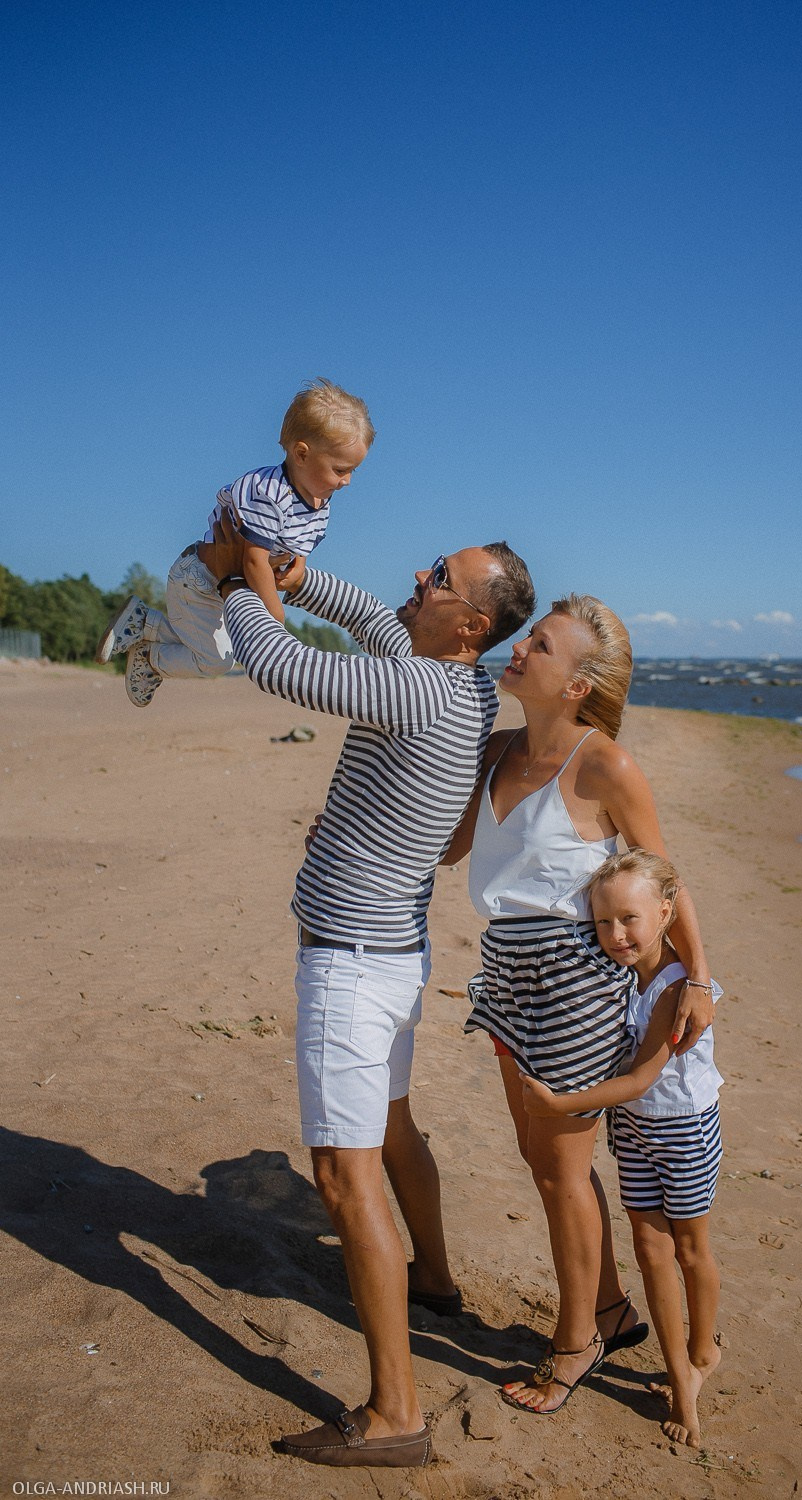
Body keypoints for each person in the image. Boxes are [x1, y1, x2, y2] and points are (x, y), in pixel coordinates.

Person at [205, 517, 535, 1468]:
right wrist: (297, 574)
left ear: (470, 625)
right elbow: (366, 616)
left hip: (351, 965)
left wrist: (237, 578)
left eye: (442, 577)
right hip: (392, 953)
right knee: (392, 1128)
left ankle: (396, 1415)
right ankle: (434, 1279)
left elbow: (283, 667)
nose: (422, 576)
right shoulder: (460, 682)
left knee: (344, 1178)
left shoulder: (419, 689)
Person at [441, 595, 715, 1414]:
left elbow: (665, 879)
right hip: (504, 975)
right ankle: (611, 1309)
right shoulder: (495, 750)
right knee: (541, 1162)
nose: (521, 647)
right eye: (529, 636)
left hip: (574, 984)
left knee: (563, 1175)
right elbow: (449, 846)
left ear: (576, 685)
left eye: (541, 644)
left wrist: (698, 978)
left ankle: (575, 1343)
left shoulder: (605, 767)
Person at [520, 849, 723, 1447]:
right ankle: (680, 1374)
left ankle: (702, 1355)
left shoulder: (677, 986)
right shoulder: (616, 975)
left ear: (666, 913)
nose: (615, 935)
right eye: (603, 921)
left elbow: (640, 1078)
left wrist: (560, 1104)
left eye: (630, 919)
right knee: (650, 1250)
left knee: (690, 1250)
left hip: (684, 1130)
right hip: (633, 1131)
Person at [96, 379, 373, 707]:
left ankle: (144, 622)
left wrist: (298, 565)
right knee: (216, 660)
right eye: (340, 470)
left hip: (224, 588)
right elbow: (254, 560)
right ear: (301, 454)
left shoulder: (319, 500)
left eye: (353, 471)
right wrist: (275, 616)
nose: (347, 481)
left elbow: (299, 544)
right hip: (200, 580)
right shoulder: (269, 495)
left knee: (222, 651)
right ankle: (151, 658)